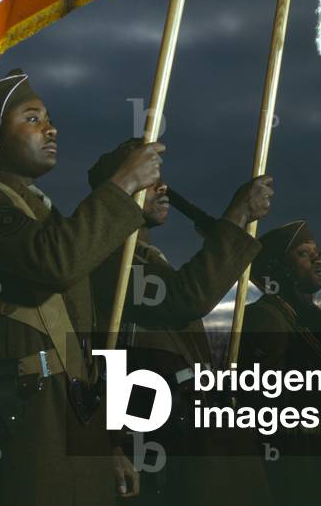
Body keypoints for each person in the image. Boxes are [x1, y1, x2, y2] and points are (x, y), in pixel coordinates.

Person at [0, 68, 163, 505]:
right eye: (33, 118)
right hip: (21, 420)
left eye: (50, 118)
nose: (51, 128)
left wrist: (107, 443)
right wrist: (123, 184)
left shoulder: (42, 212)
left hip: (72, 418)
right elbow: (53, 262)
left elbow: (79, 339)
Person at [87, 139, 275, 504]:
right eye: (146, 178)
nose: (162, 188)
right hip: (151, 437)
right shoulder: (112, 262)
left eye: (160, 177)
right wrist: (236, 216)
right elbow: (186, 297)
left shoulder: (147, 259)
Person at [239, 221, 321, 506]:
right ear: (279, 267)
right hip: (305, 469)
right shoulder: (266, 317)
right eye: (303, 253)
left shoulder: (313, 320)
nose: (317, 258)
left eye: (317, 252)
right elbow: (260, 404)